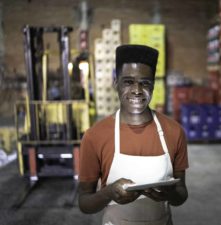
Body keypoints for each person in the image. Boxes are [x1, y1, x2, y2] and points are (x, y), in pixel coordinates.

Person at [78, 44, 189, 225]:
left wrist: (171, 194)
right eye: (128, 81)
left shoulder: (174, 132)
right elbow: (84, 202)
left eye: (145, 83)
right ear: (116, 84)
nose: (137, 90)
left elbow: (182, 194)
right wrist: (108, 193)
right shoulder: (95, 136)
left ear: (153, 86)